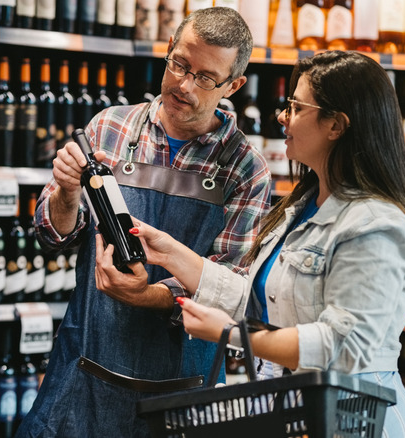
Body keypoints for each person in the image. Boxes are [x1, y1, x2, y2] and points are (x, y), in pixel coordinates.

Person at [96, 51, 405, 438]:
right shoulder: (303, 208)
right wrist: (171, 253)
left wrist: (233, 334)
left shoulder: (375, 226)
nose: (282, 116)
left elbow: (345, 345)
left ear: (335, 126)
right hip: (299, 414)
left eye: (295, 106)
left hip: (357, 422)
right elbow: (265, 305)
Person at [16, 7, 271, 438]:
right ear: (168, 50)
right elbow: (53, 234)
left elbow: (227, 289)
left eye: (206, 78)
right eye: (179, 65)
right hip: (84, 378)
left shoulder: (246, 170)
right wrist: (66, 193)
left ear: (234, 85)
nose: (184, 85)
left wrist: (149, 295)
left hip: (182, 395)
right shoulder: (108, 128)